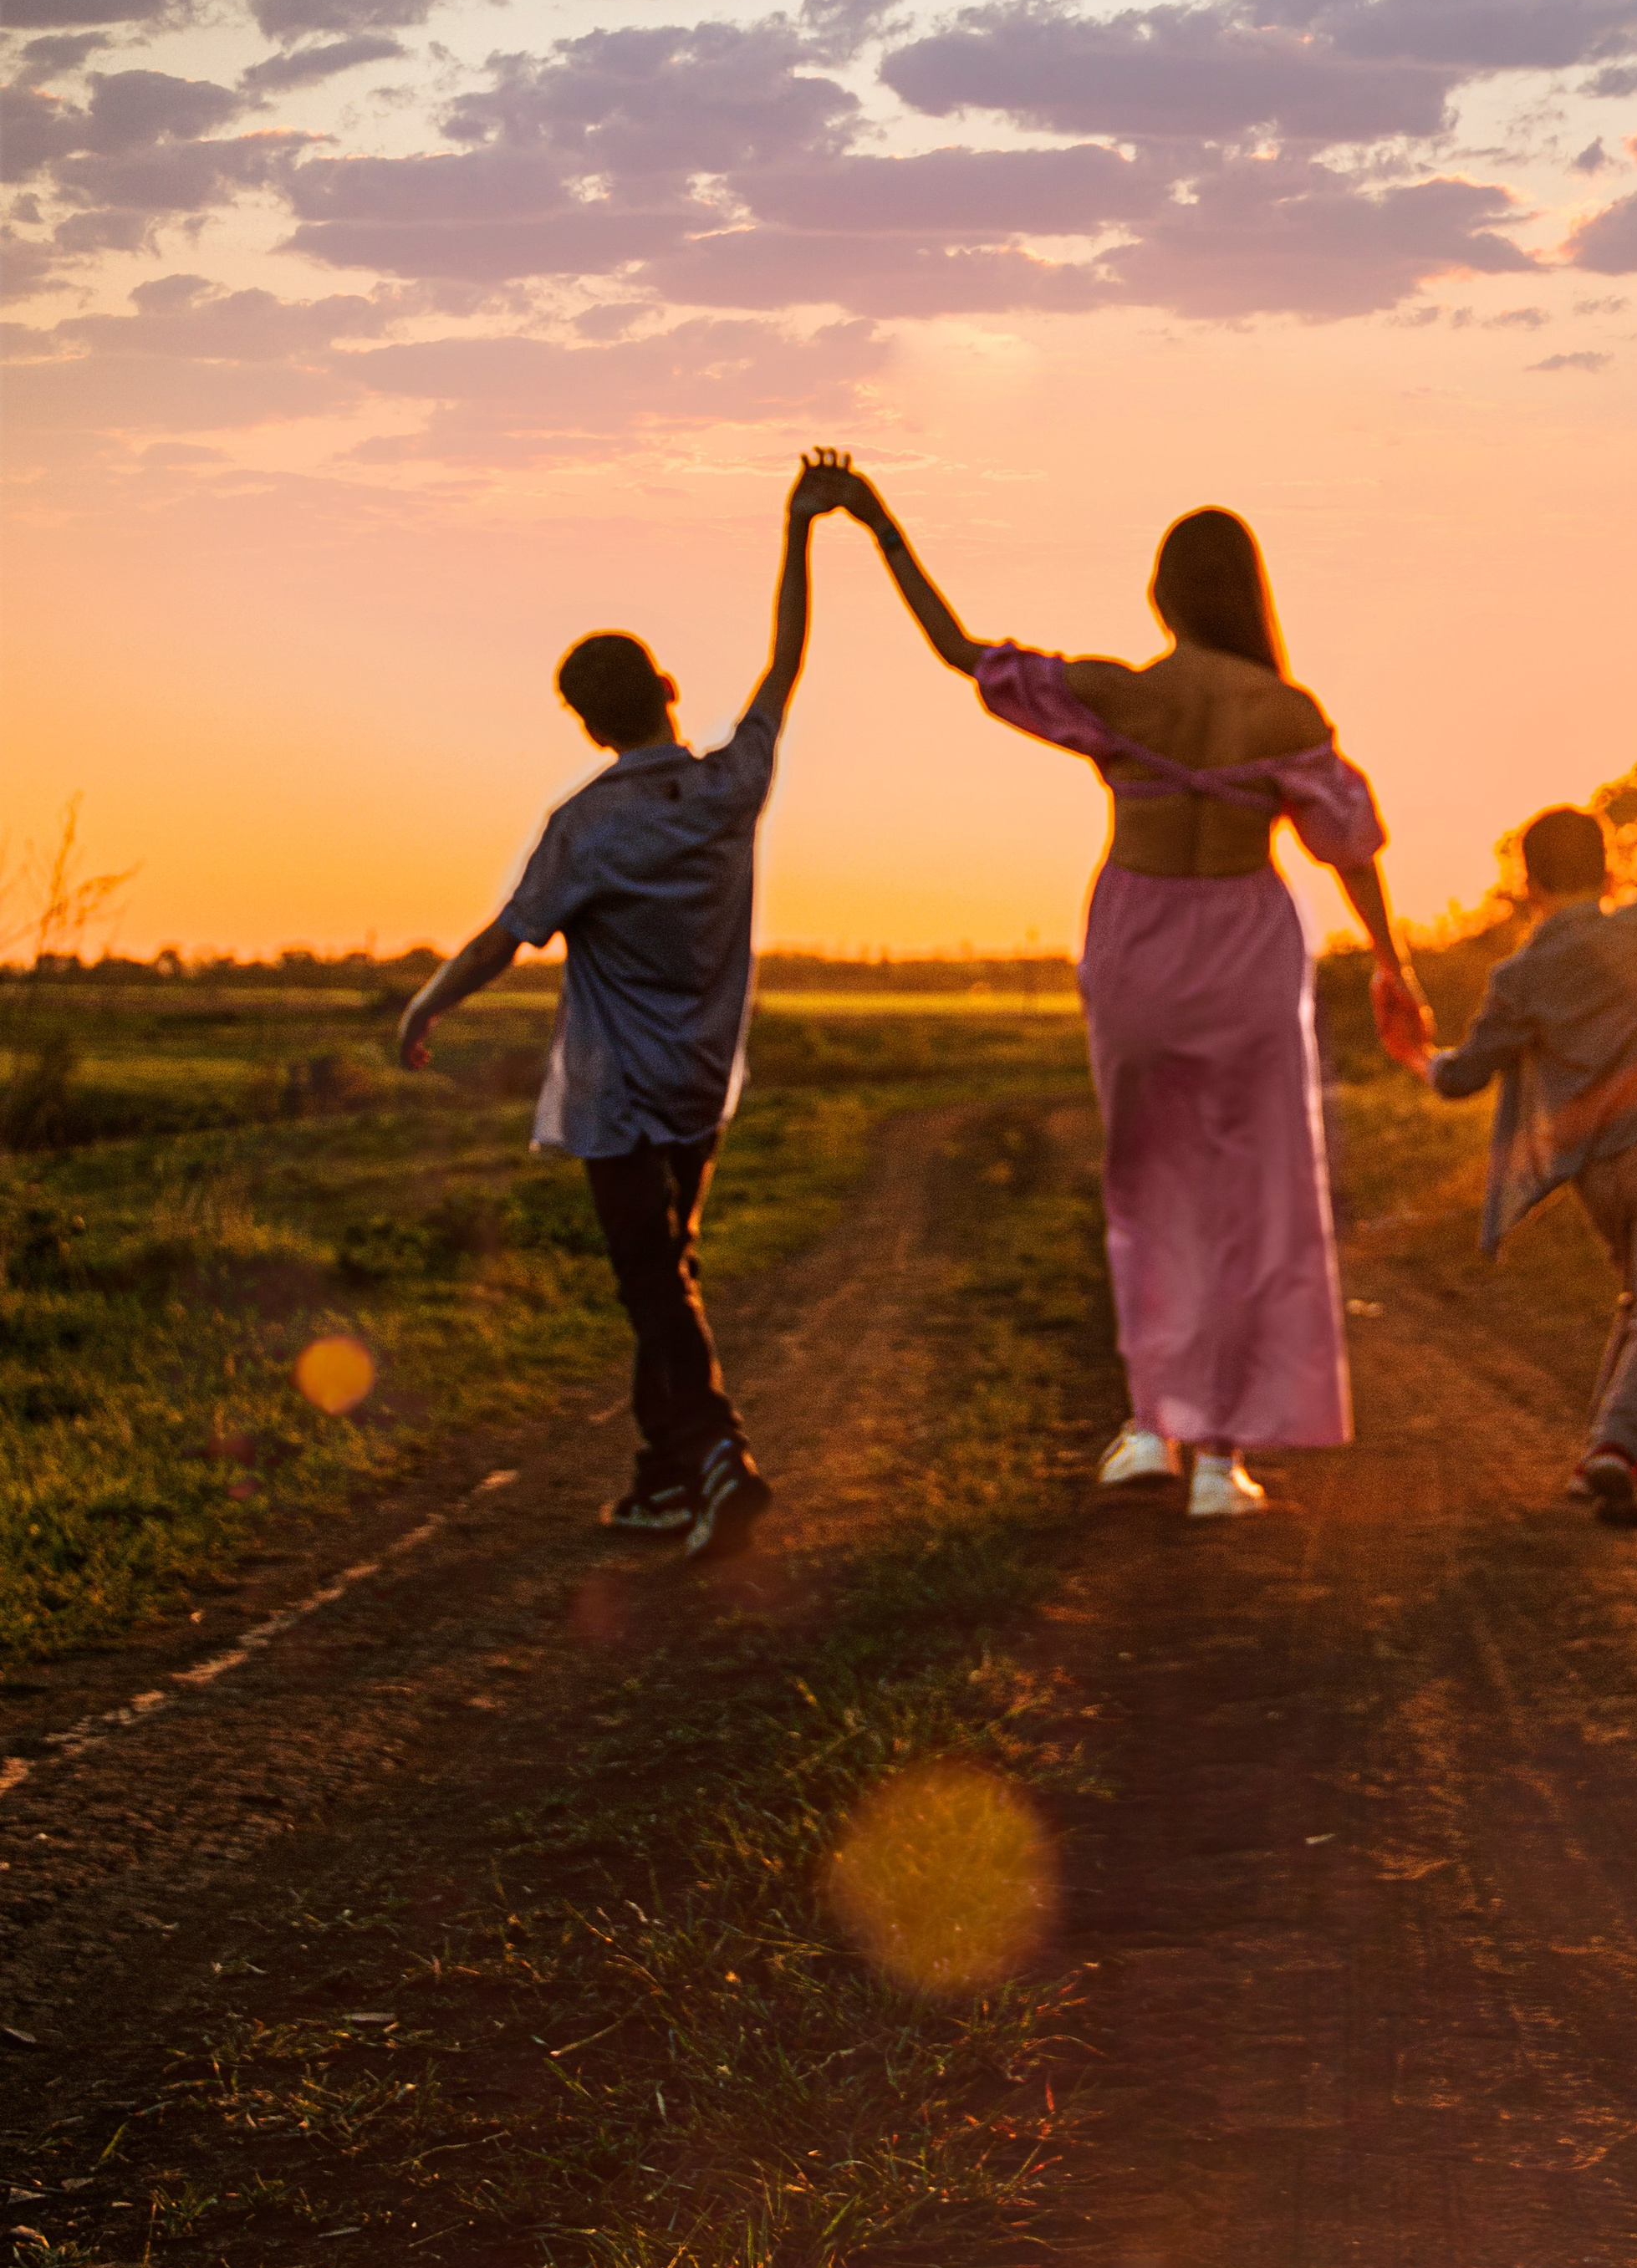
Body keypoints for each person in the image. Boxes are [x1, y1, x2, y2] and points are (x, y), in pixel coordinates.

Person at [810, 451, 1430, 1520]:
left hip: (1139, 941)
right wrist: (1391, 964)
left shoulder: (1116, 692)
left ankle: (1154, 1425)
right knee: (1248, 1195)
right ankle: (1217, 1462)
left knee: (1150, 1189)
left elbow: (962, 651)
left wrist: (876, 522)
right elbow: (1350, 848)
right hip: (1243, 939)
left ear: (1162, 595)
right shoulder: (1285, 709)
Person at [395, 455, 844, 1557]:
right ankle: (660, 1476)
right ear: (667, 689)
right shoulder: (730, 787)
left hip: (616, 1099)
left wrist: (425, 1006)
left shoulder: (584, 826)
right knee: (666, 1269)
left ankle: (717, 1456)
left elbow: (504, 937)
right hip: (699, 1085)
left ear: (587, 721)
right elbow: (788, 659)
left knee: (651, 1280)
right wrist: (799, 531)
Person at [1425, 806, 1637, 1528]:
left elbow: (1462, 1077)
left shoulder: (1520, 975)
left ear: (1529, 881)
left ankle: (1609, 1444)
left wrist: (1419, 1057)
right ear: (1606, 866)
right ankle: (1616, 1442)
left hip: (1594, 1172)